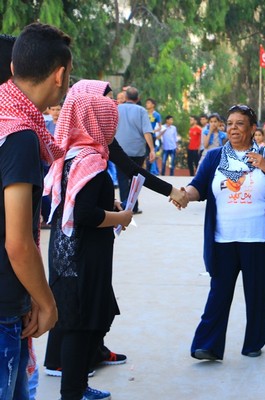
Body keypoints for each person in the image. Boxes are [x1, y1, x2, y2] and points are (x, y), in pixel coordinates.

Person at [42, 79, 189, 380]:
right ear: (91, 107)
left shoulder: (97, 141)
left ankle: (92, 351)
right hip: (76, 240)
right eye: (108, 100)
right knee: (75, 300)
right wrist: (118, 216)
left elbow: (131, 170)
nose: (114, 106)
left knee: (96, 299)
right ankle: (63, 364)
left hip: (90, 240)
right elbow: (82, 210)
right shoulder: (84, 153)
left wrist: (170, 191)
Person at [185, 104, 265, 361]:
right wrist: (185, 195)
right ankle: (207, 345)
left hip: (258, 238)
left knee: (258, 296)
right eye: (230, 124)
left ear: (253, 128)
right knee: (218, 293)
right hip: (222, 239)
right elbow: (198, 186)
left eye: (240, 124)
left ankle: (253, 342)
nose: (233, 128)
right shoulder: (214, 157)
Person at [44, 92, 132, 400]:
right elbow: (83, 214)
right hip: (82, 257)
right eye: (110, 120)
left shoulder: (73, 154)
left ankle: (79, 387)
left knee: (92, 319)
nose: (113, 127)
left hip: (70, 254)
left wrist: (109, 205)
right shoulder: (91, 160)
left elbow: (77, 202)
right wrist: (120, 217)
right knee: (80, 326)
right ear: (97, 121)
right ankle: (72, 392)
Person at [0, 22, 71, 400]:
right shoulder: (20, 135)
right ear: (60, 75)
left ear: (14, 68)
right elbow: (18, 243)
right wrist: (46, 302)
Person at [114, 87, 156, 214]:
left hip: (119, 150)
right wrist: (152, 149)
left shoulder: (116, 109)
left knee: (122, 179)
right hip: (137, 151)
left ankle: (124, 207)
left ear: (125, 97)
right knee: (135, 179)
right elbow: (147, 132)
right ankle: (134, 206)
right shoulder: (142, 111)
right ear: (138, 99)